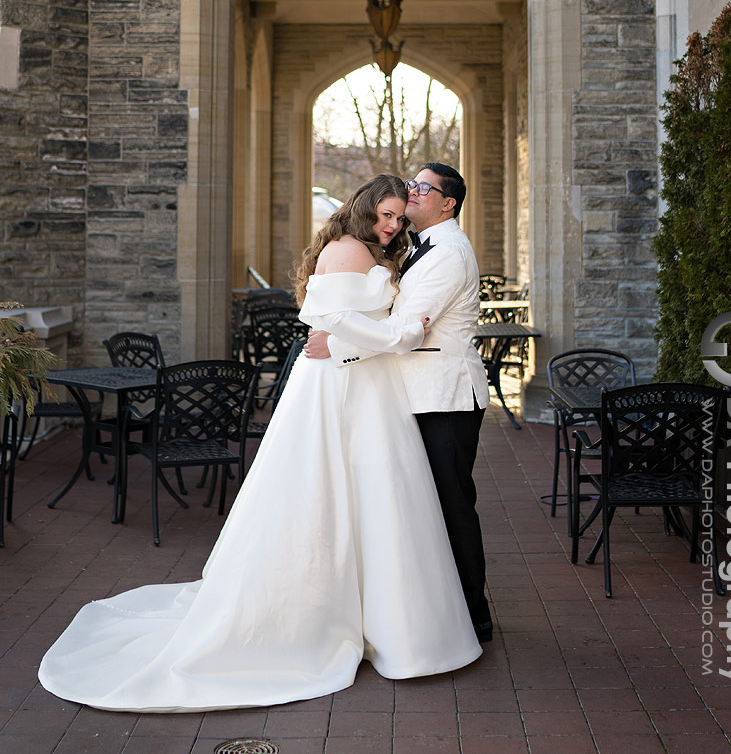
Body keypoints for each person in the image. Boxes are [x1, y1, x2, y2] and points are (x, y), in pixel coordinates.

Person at [38, 175, 481, 713]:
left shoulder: (401, 251)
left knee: (382, 496)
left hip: (370, 381)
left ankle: (384, 617)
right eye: (385, 215)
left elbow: (355, 326)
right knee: (333, 489)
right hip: (341, 383)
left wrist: (343, 340)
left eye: (398, 217)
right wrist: (340, 342)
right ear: (363, 209)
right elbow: (330, 320)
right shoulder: (347, 250)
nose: (393, 225)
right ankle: (329, 617)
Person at [306, 162, 493, 643]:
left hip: (443, 395)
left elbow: (408, 331)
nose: (411, 192)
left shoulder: (449, 253)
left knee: (452, 507)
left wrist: (338, 345)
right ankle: (437, 611)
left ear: (447, 202)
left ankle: (473, 615)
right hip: (415, 392)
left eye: (421, 187)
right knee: (425, 507)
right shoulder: (418, 247)